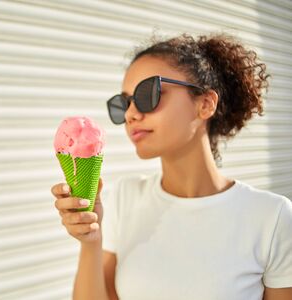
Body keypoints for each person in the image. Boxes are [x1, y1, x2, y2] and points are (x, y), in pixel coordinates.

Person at [51, 32, 292, 300]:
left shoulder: (272, 217)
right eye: (124, 103)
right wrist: (91, 241)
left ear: (205, 104)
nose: (131, 114)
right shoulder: (124, 198)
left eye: (147, 94)